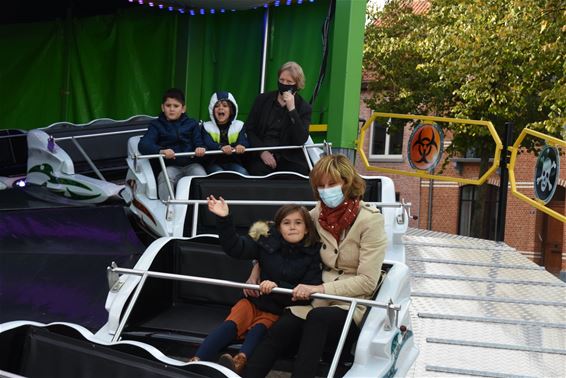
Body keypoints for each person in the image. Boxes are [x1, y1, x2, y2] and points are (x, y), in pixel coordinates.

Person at [244, 154, 388, 377]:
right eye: (320, 186)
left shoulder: (370, 221)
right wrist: (255, 271)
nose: (325, 190)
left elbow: (368, 282)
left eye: (332, 184)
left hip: (351, 301)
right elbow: (275, 241)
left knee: (317, 319)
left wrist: (319, 289)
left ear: (347, 184)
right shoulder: (315, 215)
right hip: (315, 295)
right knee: (283, 327)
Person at [189, 198, 322, 375]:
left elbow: (308, 291)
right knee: (230, 324)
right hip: (253, 302)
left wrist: (277, 286)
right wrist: (224, 218)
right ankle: (196, 360)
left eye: (298, 223)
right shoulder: (266, 241)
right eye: (286, 223)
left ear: (306, 229)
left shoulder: (313, 254)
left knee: (259, 330)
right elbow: (236, 248)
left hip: (277, 310)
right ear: (278, 227)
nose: (292, 227)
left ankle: (239, 362)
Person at [244, 61, 312, 176]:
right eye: (281, 80)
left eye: (289, 82)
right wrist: (262, 151)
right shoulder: (262, 100)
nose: (284, 84)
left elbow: (301, 139)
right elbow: (249, 129)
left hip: (290, 158)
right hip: (263, 154)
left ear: (297, 84)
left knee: (297, 174)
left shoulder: (304, 107)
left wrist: (292, 110)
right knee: (256, 171)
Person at [138, 88, 206, 200]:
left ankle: (200, 210)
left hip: (191, 164)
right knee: (165, 176)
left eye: (176, 106)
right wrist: (161, 150)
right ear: (162, 107)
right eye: (168, 105)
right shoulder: (156, 125)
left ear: (183, 109)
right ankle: (168, 210)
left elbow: (199, 142)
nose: (172, 109)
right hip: (169, 166)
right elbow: (144, 144)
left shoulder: (192, 123)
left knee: (201, 176)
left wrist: (200, 148)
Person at [201, 91, 249, 175]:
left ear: (231, 110)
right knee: (219, 174)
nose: (220, 108)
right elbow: (207, 143)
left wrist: (241, 145)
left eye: (225, 105)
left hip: (233, 162)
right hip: (213, 163)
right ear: (212, 110)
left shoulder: (239, 125)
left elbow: (244, 140)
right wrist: (221, 147)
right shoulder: (206, 126)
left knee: (242, 172)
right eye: (216, 106)